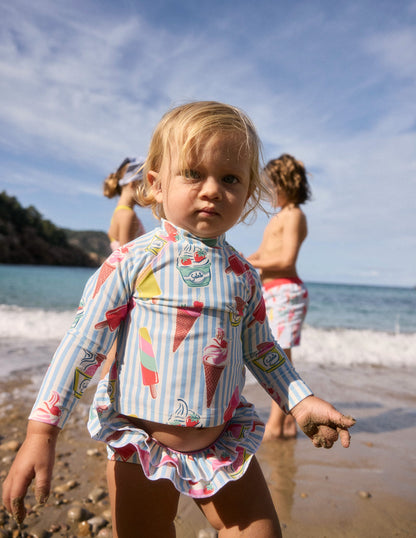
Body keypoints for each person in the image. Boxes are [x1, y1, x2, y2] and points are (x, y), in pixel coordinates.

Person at [2, 102, 355, 538]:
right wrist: (42, 431)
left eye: (230, 178)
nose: (211, 190)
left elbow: (263, 350)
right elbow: (83, 345)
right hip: (142, 446)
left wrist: (300, 401)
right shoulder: (133, 261)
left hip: (224, 443)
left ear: (247, 197)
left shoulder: (243, 276)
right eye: (193, 173)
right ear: (156, 184)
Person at [247, 154, 311, 441]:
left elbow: (286, 259)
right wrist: (240, 260)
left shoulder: (295, 215)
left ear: (285, 184)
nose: (268, 193)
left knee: (279, 358)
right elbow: (261, 254)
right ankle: (286, 426)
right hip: (271, 292)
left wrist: (255, 264)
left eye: (271, 187)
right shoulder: (277, 217)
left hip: (286, 291)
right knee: (275, 355)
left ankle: (279, 424)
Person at [103, 157, 146, 251]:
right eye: (146, 186)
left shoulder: (119, 212)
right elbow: (126, 258)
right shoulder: (127, 215)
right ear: (133, 184)